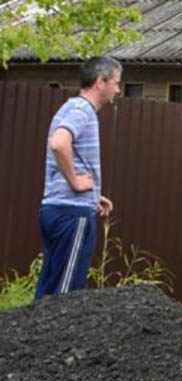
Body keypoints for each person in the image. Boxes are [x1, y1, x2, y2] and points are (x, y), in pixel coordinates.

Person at [34, 56, 121, 300]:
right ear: (99, 82)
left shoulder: (73, 108)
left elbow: (69, 151)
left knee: (49, 290)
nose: (118, 89)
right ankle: (53, 339)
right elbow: (59, 143)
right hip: (71, 214)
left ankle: (32, 338)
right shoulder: (81, 109)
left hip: (62, 208)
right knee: (65, 296)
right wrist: (75, 182)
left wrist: (93, 195)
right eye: (115, 82)